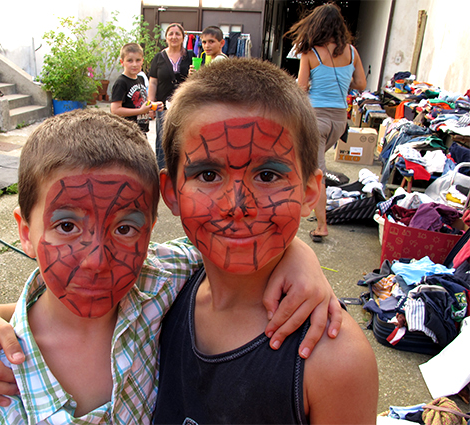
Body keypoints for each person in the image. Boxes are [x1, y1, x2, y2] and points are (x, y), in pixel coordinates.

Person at [0, 109, 344, 420]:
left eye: (125, 228)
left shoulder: (154, 282)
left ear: (150, 231)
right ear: (25, 232)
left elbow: (226, 242)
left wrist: (297, 253)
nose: (96, 260)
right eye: (67, 225)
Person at [153, 58, 378, 423]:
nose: (236, 206)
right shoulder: (157, 299)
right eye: (208, 174)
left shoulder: (334, 361)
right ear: (172, 192)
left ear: (309, 192)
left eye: (268, 175)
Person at [285, 3, 367, 243]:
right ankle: (311, 206)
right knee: (314, 164)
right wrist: (342, 84)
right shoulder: (352, 52)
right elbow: (361, 84)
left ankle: (322, 226)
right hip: (340, 120)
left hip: (315, 118)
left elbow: (301, 88)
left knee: (315, 170)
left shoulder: (310, 53)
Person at [148, 23, 193, 169]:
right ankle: (163, 172)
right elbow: (153, 82)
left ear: (183, 37)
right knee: (163, 140)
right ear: (166, 38)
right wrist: (151, 104)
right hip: (163, 106)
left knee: (184, 138)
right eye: (171, 34)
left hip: (185, 106)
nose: (174, 37)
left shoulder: (191, 56)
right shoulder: (159, 57)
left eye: (177, 34)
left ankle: (182, 171)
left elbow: (198, 81)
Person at [110, 42, 162, 134]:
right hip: (127, 133)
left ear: (142, 61)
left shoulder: (140, 79)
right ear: (122, 62)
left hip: (141, 131)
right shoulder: (121, 82)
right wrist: (140, 111)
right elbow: (115, 110)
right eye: (130, 60)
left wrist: (152, 106)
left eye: (138, 60)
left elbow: (141, 102)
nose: (134, 64)